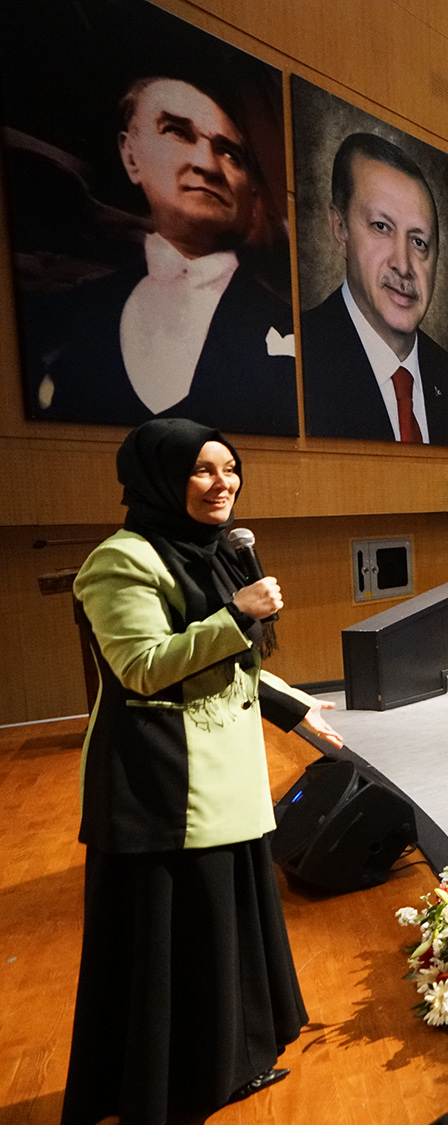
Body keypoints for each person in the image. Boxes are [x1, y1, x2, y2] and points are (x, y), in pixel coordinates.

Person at [65, 419, 341, 1123]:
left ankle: (230, 1065)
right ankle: (171, 1087)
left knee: (224, 928)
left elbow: (231, 664)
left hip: (222, 778)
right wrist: (237, 612)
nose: (224, 484)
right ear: (160, 478)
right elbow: (142, 666)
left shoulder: (217, 552)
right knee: (176, 940)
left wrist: (296, 709)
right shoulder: (119, 560)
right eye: (203, 470)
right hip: (162, 785)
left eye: (230, 468)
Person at [24, 80, 298, 435]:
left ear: (253, 191)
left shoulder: (292, 326)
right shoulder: (69, 315)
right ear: (130, 156)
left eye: (230, 154)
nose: (207, 165)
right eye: (177, 132)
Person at [301, 132, 448, 443]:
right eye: (381, 227)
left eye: (419, 242)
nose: (403, 264)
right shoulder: (299, 359)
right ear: (340, 229)